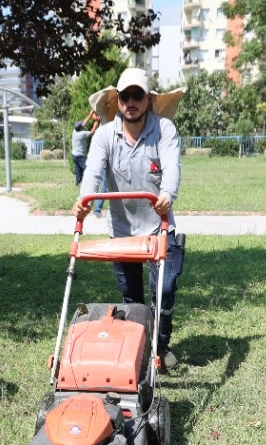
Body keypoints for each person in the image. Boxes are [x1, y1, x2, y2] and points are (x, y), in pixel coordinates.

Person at [73, 68, 185, 370]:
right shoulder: (106, 135)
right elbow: (93, 173)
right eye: (125, 96)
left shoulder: (164, 129)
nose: (131, 101)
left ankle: (160, 347)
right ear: (118, 100)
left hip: (160, 226)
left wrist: (167, 194)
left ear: (148, 99)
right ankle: (139, 350)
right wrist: (84, 201)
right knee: (132, 298)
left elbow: (172, 167)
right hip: (122, 230)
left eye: (138, 95)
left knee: (164, 291)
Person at [71, 120, 91, 185]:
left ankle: (78, 182)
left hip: (74, 155)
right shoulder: (82, 134)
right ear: (81, 128)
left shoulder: (74, 131)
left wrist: (90, 114)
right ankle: (87, 183)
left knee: (78, 170)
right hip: (80, 156)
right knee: (87, 168)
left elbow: (83, 124)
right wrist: (96, 122)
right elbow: (92, 132)